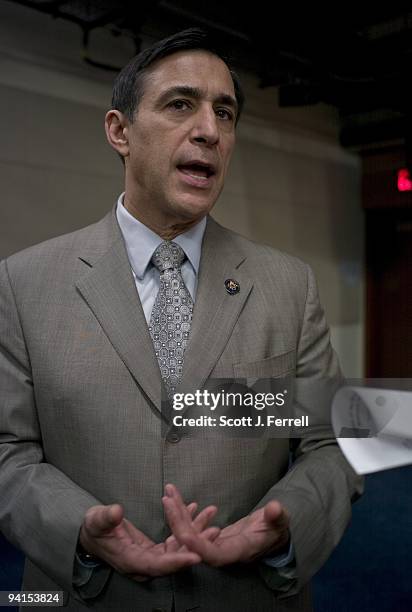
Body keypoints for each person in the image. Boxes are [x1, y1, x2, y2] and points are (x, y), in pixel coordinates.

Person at [0, 28, 363, 611]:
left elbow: (333, 444)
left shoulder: (288, 286)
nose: (209, 130)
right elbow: (7, 450)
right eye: (179, 104)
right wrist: (80, 528)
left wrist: (284, 522)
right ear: (120, 131)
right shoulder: (23, 282)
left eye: (225, 112)